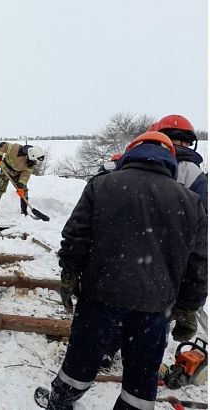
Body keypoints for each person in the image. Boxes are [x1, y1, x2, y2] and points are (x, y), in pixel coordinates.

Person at [45, 131, 207, 410]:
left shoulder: (102, 185)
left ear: (131, 153)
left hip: (100, 298)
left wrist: (70, 275)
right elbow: (198, 262)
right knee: (141, 380)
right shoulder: (191, 202)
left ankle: (60, 403)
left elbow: (76, 237)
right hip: (155, 309)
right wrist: (188, 307)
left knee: (80, 362)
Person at [151, 114, 207, 210]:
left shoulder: (142, 161)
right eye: (188, 142)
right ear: (185, 142)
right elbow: (203, 212)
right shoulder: (192, 172)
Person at [0, 142, 45, 215]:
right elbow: (2, 145)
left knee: (24, 191)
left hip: (18, 173)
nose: (35, 161)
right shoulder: (16, 149)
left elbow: (25, 175)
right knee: (0, 187)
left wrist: (20, 186)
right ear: (31, 155)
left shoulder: (31, 163)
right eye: (35, 159)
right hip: (6, 168)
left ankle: (24, 212)